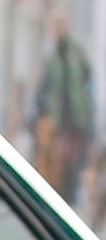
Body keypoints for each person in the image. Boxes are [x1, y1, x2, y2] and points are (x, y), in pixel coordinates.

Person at [34, 13, 94, 204]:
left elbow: (87, 75)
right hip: (59, 121)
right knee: (58, 166)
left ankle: (73, 202)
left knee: (74, 164)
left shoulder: (75, 52)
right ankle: (63, 200)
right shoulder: (52, 58)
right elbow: (46, 88)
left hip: (76, 120)